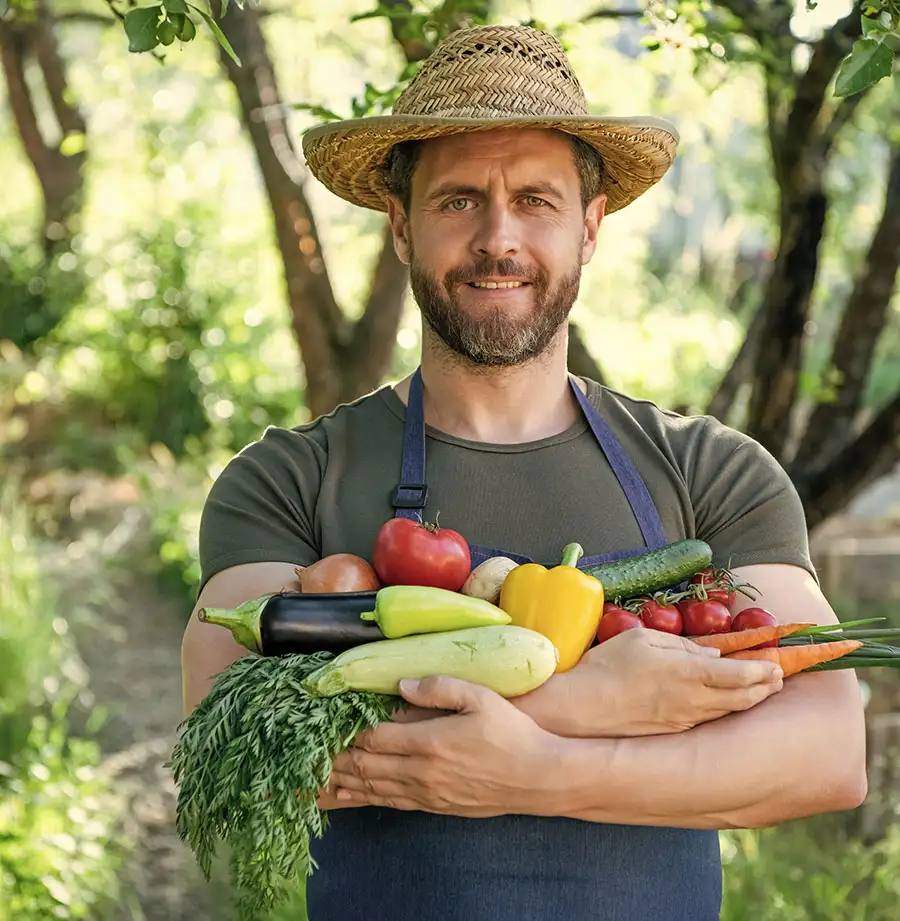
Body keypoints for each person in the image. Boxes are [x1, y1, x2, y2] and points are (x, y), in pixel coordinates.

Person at [181, 23, 867, 921]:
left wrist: (540, 768)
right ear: (401, 225)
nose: (497, 238)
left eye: (536, 200)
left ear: (590, 226)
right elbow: (234, 746)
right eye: (459, 200)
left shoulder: (713, 474)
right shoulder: (287, 480)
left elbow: (827, 753)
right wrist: (588, 700)